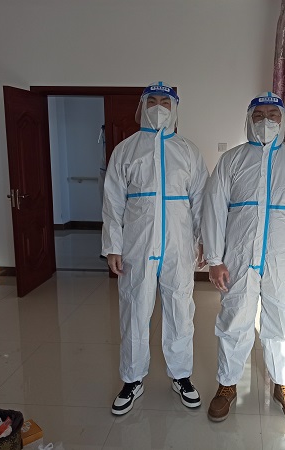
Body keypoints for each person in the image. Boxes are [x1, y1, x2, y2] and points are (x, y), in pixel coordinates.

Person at [202, 92, 285, 422]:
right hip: (239, 256)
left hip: (284, 259)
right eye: (258, 115)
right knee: (235, 319)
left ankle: (284, 383)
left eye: (273, 114)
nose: (266, 120)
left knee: (283, 321)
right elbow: (213, 209)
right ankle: (227, 384)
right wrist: (214, 259)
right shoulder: (231, 160)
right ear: (248, 120)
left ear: (283, 121)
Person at [102, 82, 209, 415]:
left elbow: (201, 201)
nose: (159, 107)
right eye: (153, 101)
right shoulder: (125, 150)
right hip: (137, 245)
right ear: (142, 106)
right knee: (134, 311)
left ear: (175, 108)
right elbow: (112, 202)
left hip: (178, 245)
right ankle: (132, 379)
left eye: (166, 101)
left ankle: (181, 375)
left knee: (180, 311)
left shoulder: (188, 151)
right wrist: (113, 246)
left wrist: (202, 240)